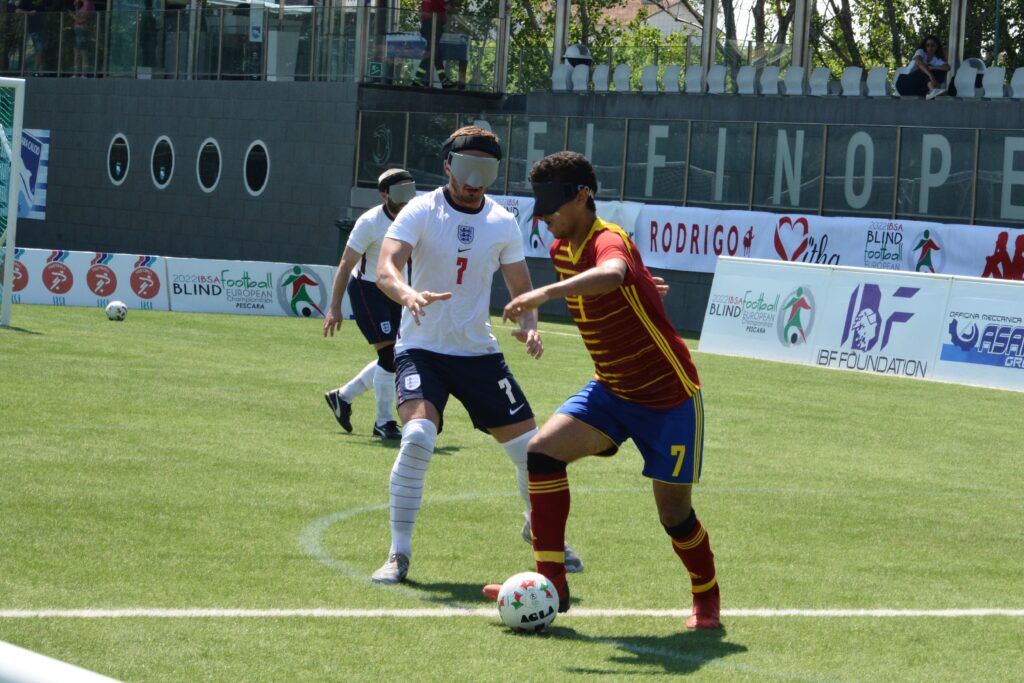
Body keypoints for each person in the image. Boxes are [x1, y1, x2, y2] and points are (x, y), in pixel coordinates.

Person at [484, 151, 722, 630]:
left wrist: (543, 293)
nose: (544, 217)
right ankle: (551, 585)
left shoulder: (608, 238)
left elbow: (613, 272)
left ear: (582, 196)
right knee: (542, 453)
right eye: (539, 207)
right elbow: (617, 285)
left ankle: (707, 596)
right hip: (611, 391)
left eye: (552, 205)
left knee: (674, 516)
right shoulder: (560, 249)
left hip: (668, 399)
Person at [370, 126, 583, 583]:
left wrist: (530, 327)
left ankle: (538, 527)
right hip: (422, 349)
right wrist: (408, 294)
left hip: (479, 354)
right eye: (467, 170)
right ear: (447, 165)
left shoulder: (502, 222)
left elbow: (522, 291)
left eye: (484, 173)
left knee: (533, 451)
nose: (473, 182)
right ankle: (398, 554)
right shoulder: (421, 210)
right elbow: (385, 269)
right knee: (418, 437)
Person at [323, 168, 416, 442]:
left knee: (399, 356)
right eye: (400, 192)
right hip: (368, 290)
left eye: (410, 190)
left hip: (397, 291)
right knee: (389, 357)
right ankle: (384, 423)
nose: (406, 199)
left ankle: (342, 396)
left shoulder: (416, 218)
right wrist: (335, 307)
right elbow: (346, 264)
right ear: (384, 195)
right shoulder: (370, 222)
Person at [413, 0, 455, 88]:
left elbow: (421, 10)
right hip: (434, 25)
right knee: (432, 52)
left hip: (427, 25)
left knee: (436, 53)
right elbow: (448, 7)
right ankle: (417, 79)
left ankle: (443, 80)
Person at [70, 0, 94, 77]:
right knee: (76, 52)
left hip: (83, 31)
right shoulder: (83, 6)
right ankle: (76, 73)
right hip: (78, 31)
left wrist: (72, 15)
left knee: (83, 52)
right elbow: (79, 17)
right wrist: (76, 7)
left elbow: (80, 20)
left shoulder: (88, 5)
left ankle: (84, 73)